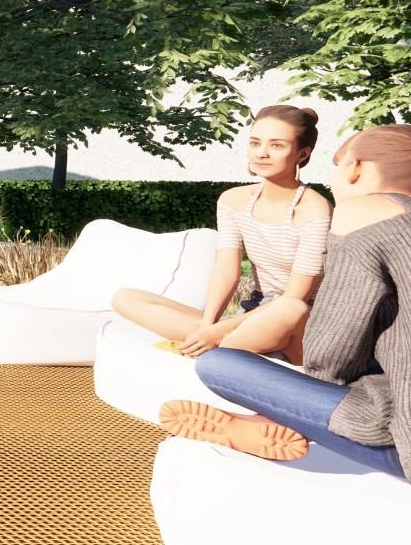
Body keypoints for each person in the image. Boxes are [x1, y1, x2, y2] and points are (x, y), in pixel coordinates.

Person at [161, 125, 411, 486]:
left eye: (337, 165)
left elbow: (334, 346)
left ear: (355, 168)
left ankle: (262, 424)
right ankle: (254, 425)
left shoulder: (364, 210)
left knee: (219, 364)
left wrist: (297, 406)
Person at [111, 105, 331, 360]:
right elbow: (227, 272)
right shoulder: (232, 200)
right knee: (125, 298)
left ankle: (219, 350)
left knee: (289, 308)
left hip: (301, 322)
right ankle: (226, 347)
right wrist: (209, 325)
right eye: (255, 143)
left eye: (277, 145)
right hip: (252, 313)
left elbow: (296, 298)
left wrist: (217, 332)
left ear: (302, 153)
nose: (261, 153)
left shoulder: (316, 211)